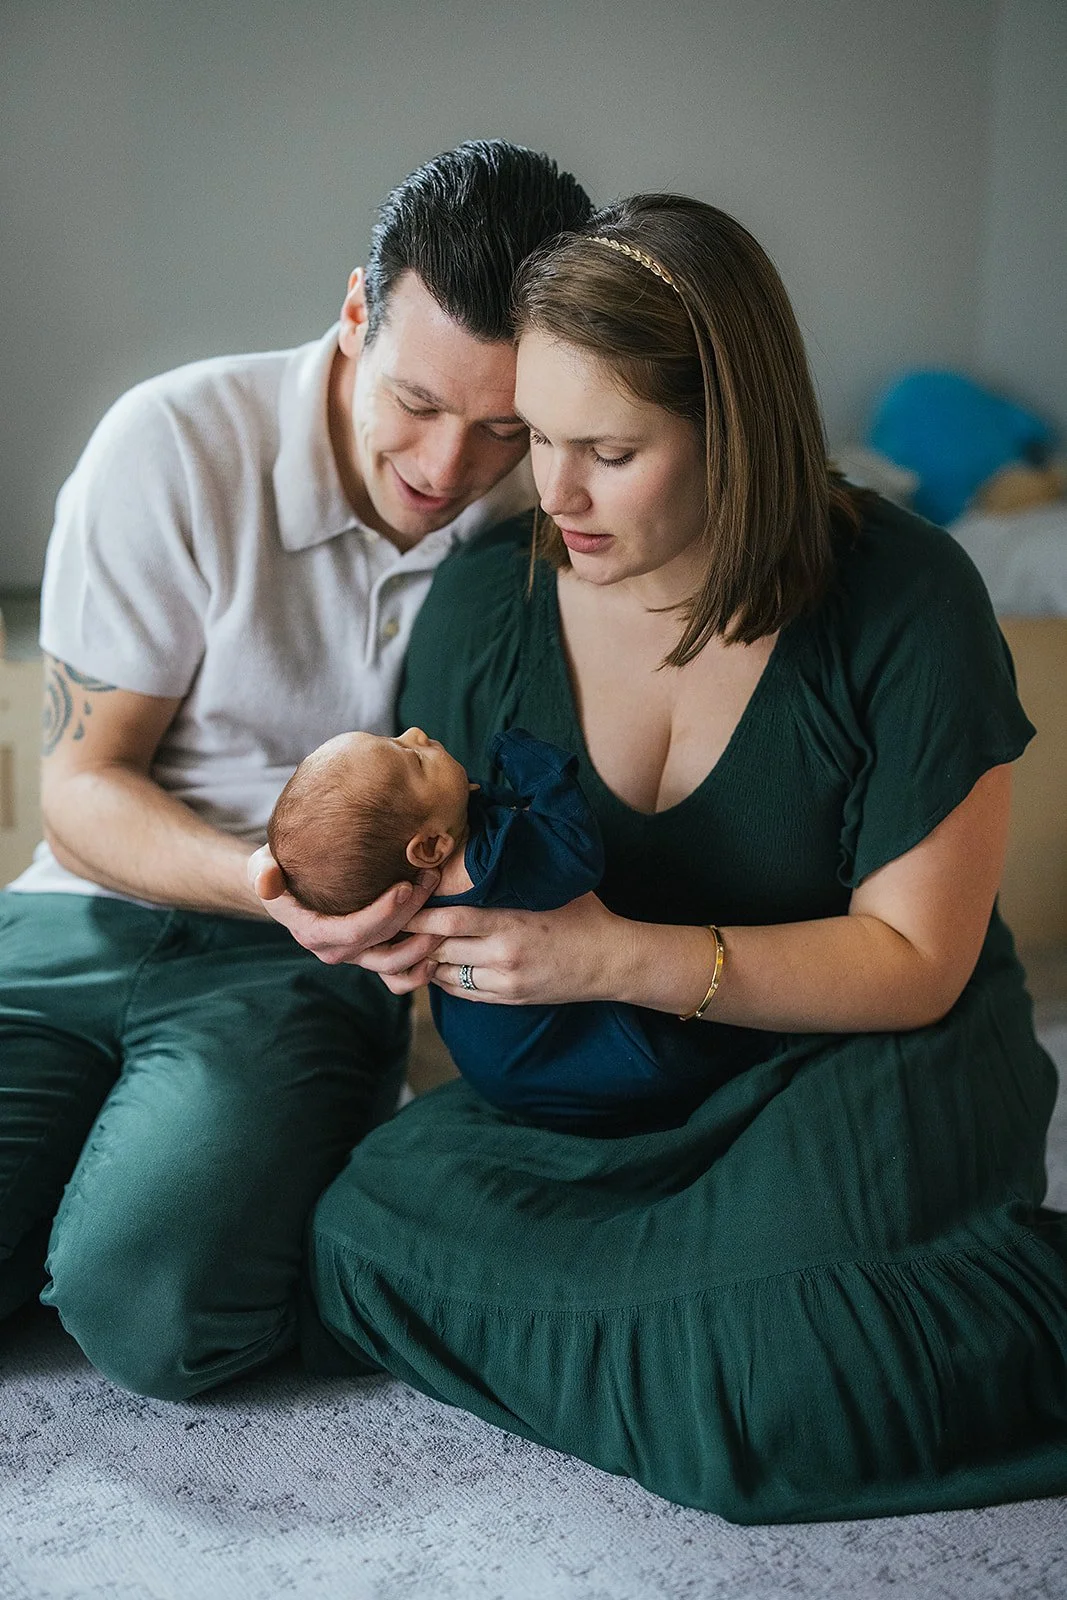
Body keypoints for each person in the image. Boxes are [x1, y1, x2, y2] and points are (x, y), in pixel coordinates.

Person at [257, 194, 1067, 1523]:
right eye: (537, 441)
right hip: (617, 1101)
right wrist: (419, 939)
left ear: (730, 435)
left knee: (782, 1369)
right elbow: (460, 873)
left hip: (853, 1064)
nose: (550, 491)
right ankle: (698, 1333)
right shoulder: (484, 602)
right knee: (362, 1232)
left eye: (607, 451)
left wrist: (610, 954)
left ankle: (739, 1342)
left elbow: (914, 964)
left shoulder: (906, 598)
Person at [0, 140, 593, 1398]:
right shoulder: (167, 446)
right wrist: (261, 875)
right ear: (351, 317)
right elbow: (80, 784)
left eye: (500, 428)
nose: (447, 470)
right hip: (81, 912)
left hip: (295, 969)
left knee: (157, 1314)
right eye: (418, 406)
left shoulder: (540, 518)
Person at [267, 723, 728, 1131]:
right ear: (429, 847)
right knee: (686, 1063)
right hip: (568, 1063)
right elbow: (575, 847)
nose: (415, 734)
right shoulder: (491, 865)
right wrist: (525, 757)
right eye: (411, 758)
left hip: (491, 1065)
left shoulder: (401, 886)